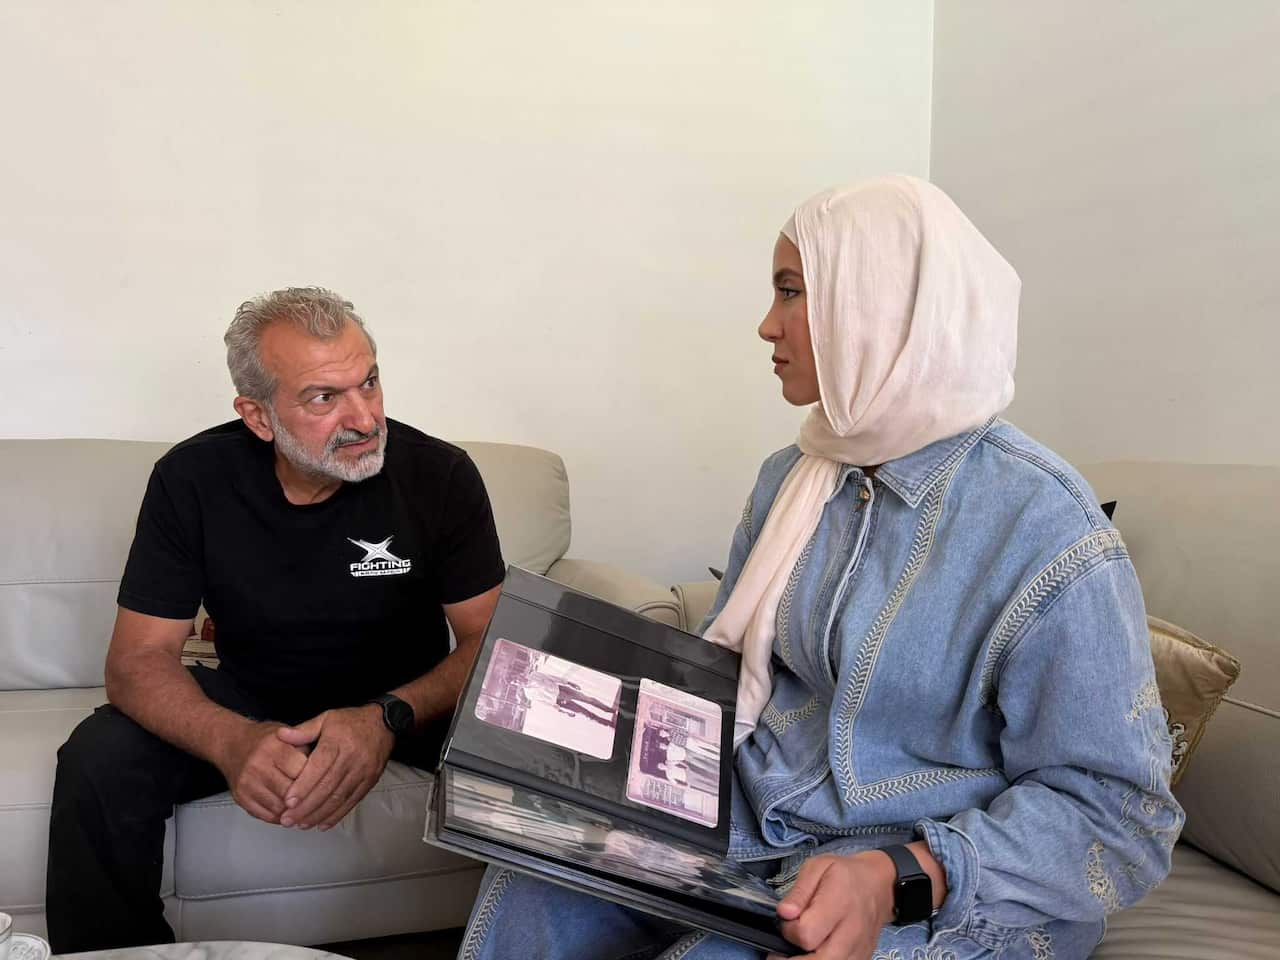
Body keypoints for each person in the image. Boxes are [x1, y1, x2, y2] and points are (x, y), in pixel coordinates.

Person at [457, 177, 1182, 959]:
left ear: (878, 304)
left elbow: (1121, 816)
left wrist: (902, 874)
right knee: (536, 877)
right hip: (759, 833)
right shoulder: (791, 478)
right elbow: (720, 680)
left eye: (791, 291)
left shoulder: (1044, 527)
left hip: (948, 889)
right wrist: (578, 736)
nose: (766, 325)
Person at [46, 288, 506, 952]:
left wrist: (387, 718)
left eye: (369, 381)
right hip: (253, 695)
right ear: (258, 416)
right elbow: (137, 661)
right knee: (99, 758)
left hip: (408, 701)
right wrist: (232, 741)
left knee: (545, 748)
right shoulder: (192, 479)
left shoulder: (440, 474)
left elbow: (492, 644)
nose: (364, 417)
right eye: (324, 398)